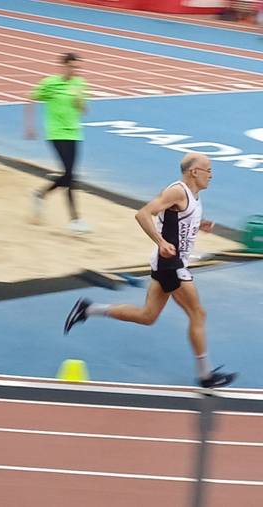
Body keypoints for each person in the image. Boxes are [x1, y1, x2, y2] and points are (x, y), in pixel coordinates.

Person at [63, 153, 236, 389]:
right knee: (198, 314)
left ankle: (88, 309)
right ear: (194, 171)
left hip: (168, 264)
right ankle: (205, 376)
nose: (212, 175)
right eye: (208, 170)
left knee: (148, 316)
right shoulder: (177, 191)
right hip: (172, 265)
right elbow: (143, 214)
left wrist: (200, 224)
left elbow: (178, 218)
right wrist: (160, 242)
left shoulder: (193, 196)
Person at [26, 52, 89, 233]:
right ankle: (75, 219)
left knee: (69, 174)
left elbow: (84, 110)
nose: (75, 71)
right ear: (64, 66)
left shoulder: (80, 83)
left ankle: (40, 194)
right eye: (72, 67)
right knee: (70, 175)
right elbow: (30, 98)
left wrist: (79, 98)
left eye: (78, 68)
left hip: (74, 133)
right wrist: (30, 126)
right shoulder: (50, 83)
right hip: (56, 132)